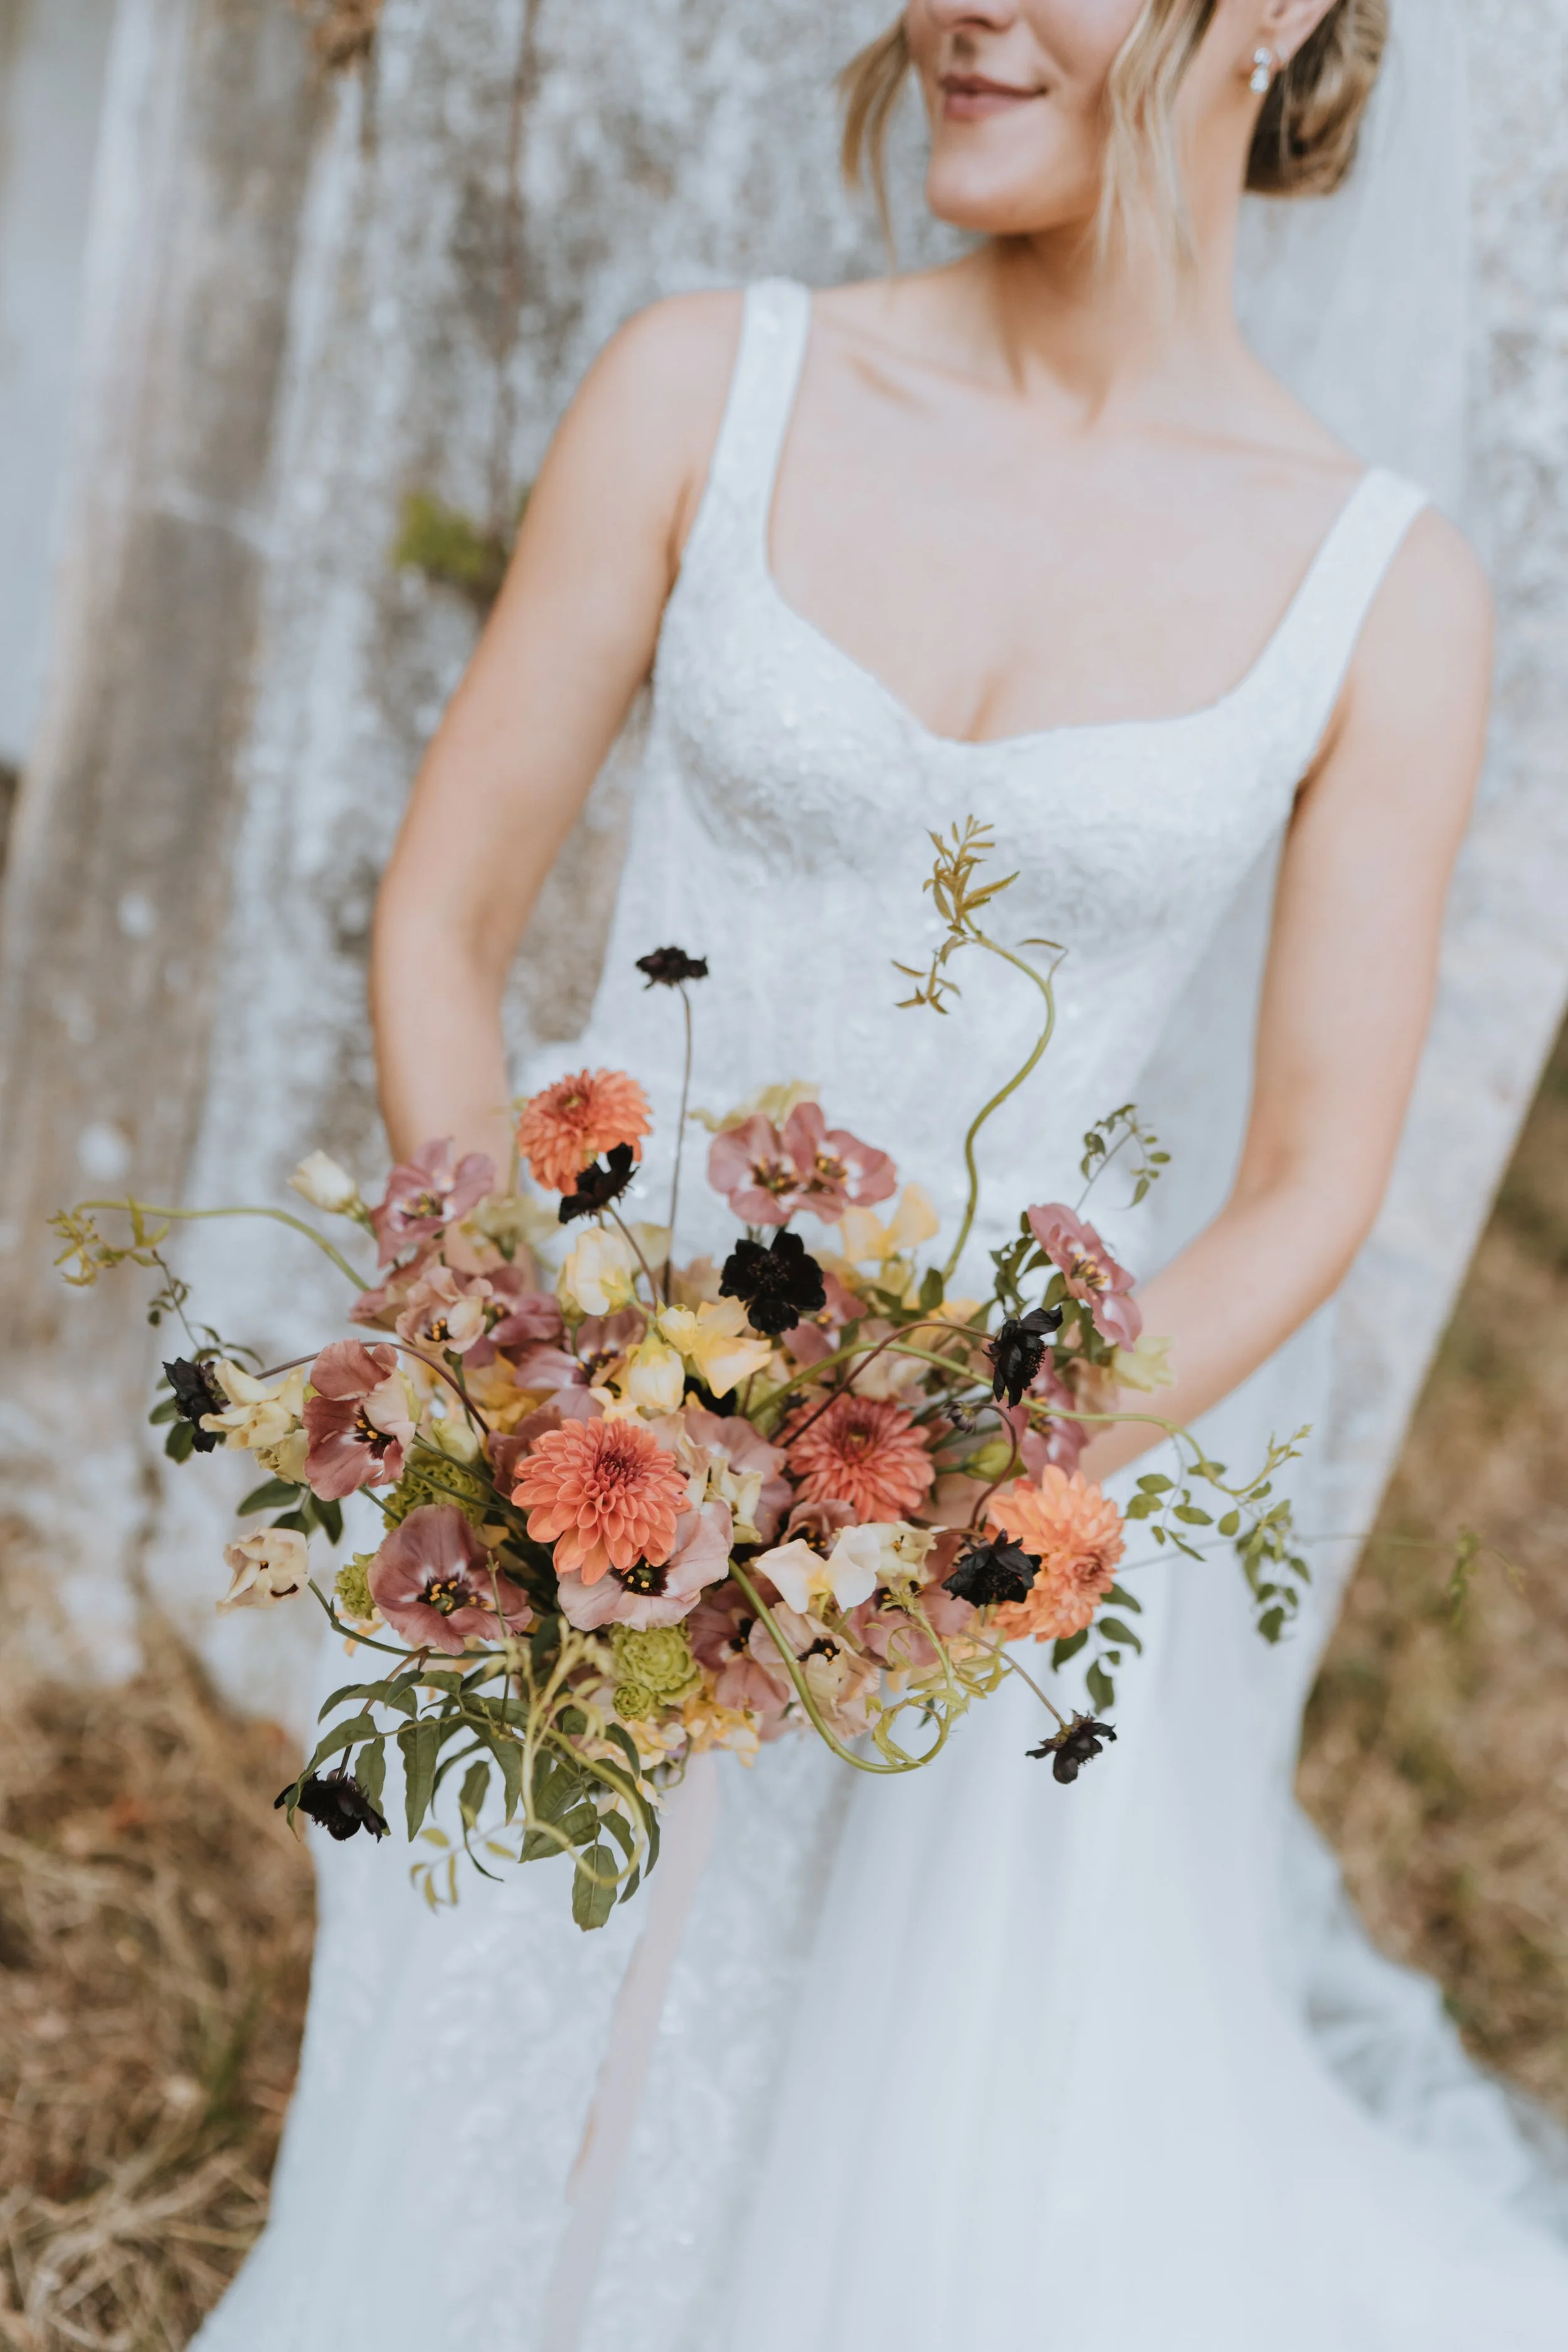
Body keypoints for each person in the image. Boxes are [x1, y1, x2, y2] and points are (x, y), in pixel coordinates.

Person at [196, 3, 1568, 2346]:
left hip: (969, 1519)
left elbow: (1310, 1178)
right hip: (585, 1450)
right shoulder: (703, 386)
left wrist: (953, 1513)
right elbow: (443, 917)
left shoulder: (1384, 596)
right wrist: (518, 1358)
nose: (955, 3)